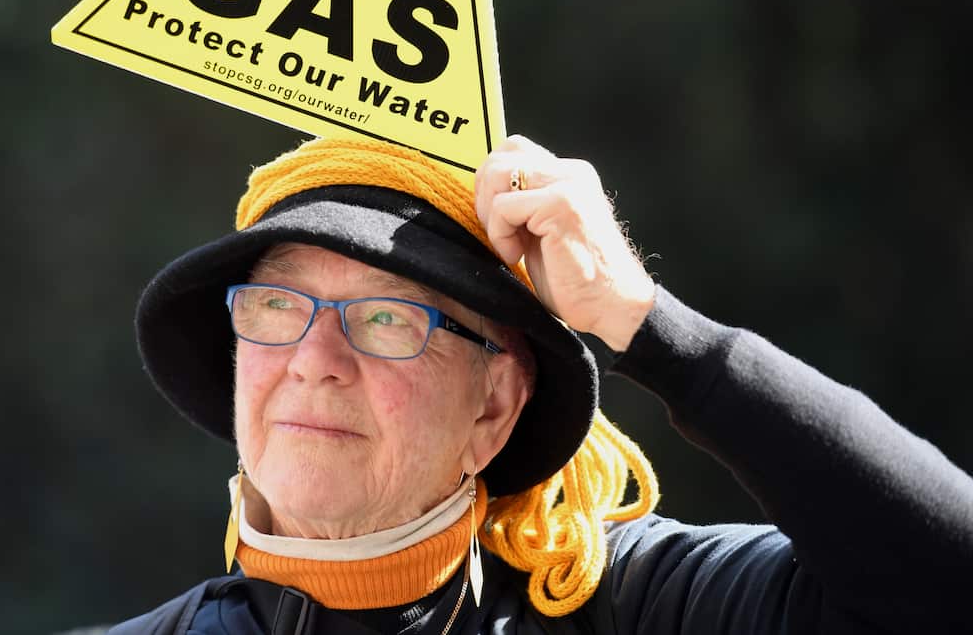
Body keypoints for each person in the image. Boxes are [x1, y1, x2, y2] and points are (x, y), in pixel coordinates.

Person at [112, 134, 973, 635]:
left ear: (493, 405)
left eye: (387, 318)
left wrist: (651, 322)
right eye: (273, 303)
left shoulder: (636, 607)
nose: (313, 357)